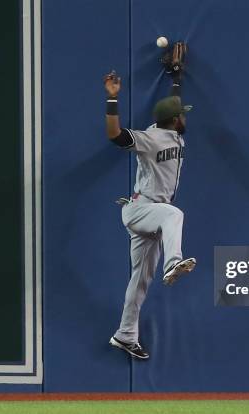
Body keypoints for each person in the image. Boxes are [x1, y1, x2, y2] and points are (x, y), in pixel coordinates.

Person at [103, 52, 196, 360]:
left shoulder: (173, 131)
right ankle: (174, 261)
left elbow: (172, 107)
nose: (185, 116)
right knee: (174, 213)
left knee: (140, 281)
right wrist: (112, 99)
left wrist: (176, 77)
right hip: (142, 209)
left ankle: (125, 335)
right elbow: (115, 135)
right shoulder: (152, 137)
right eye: (183, 114)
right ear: (175, 119)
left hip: (153, 218)